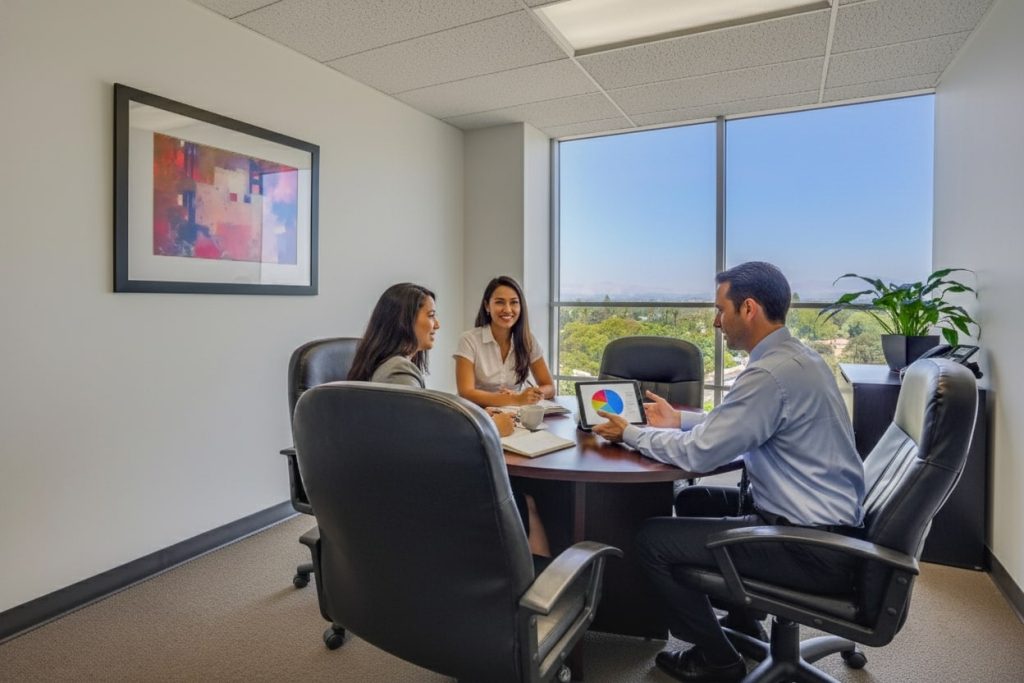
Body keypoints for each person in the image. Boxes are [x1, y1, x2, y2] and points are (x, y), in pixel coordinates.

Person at [593, 262, 865, 683]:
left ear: (749, 309)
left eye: (721, 310)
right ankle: (744, 618)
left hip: (808, 546)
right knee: (691, 499)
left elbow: (700, 456)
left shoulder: (769, 374)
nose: (716, 321)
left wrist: (630, 433)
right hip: (827, 528)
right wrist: (680, 419)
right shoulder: (796, 358)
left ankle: (717, 659)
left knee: (652, 540)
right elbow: (738, 421)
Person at [347, 283, 516, 438]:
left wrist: (477, 417)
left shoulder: (386, 363)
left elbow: (425, 420)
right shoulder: (397, 371)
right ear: (404, 320)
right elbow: (419, 437)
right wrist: (491, 428)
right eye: (431, 315)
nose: (437, 324)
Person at [455, 276, 555, 408]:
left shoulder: (528, 340)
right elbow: (466, 392)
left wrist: (531, 394)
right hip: (478, 415)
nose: (507, 309)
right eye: (500, 302)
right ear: (487, 306)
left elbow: (549, 387)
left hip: (515, 416)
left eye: (514, 302)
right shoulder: (469, 340)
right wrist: (516, 399)